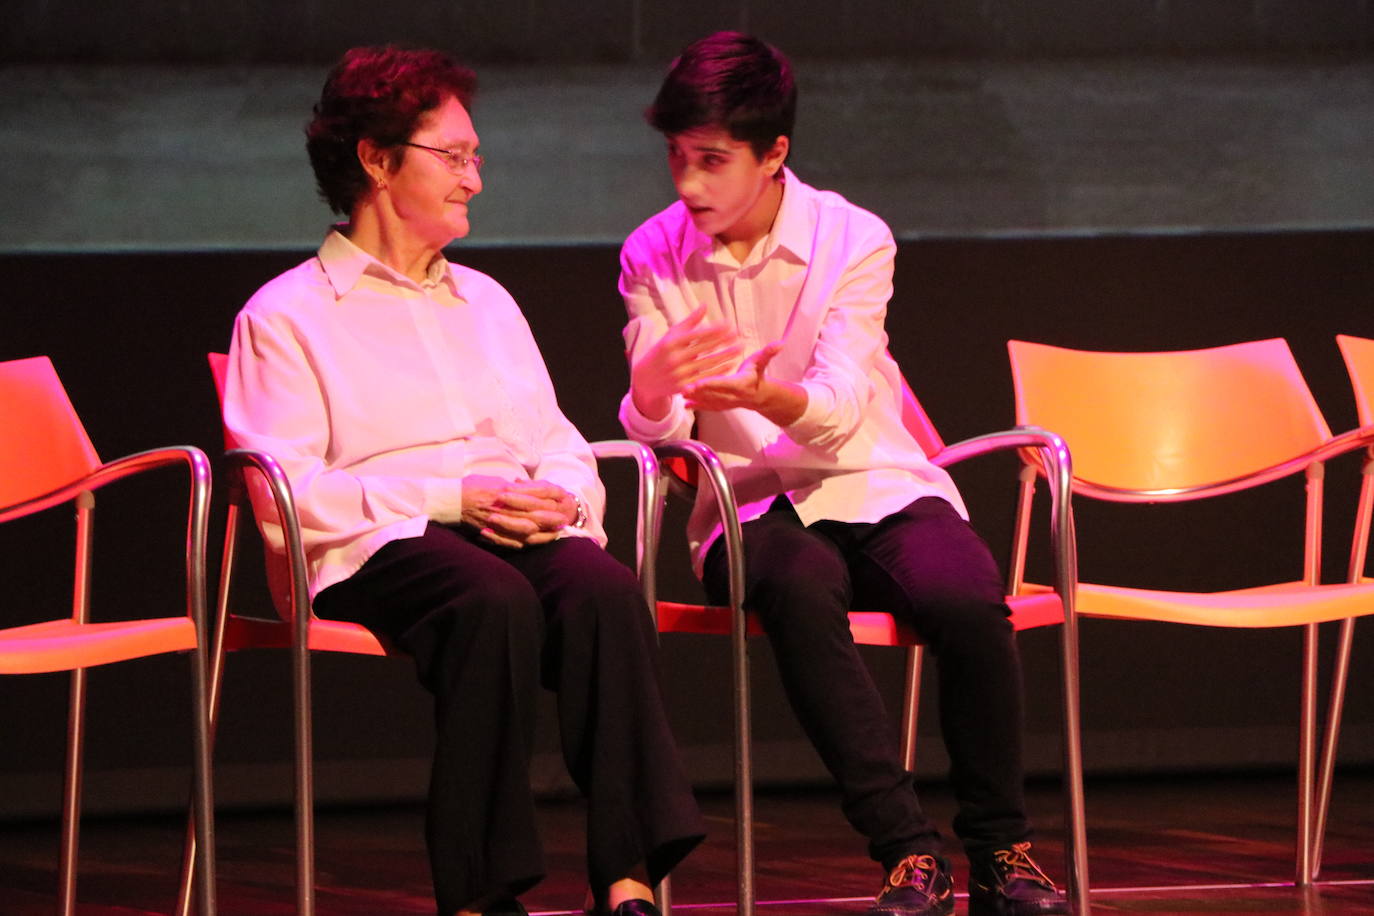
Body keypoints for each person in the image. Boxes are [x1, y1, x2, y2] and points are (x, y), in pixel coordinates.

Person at [223, 45, 704, 916]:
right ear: (376, 159)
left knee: (599, 588)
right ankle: (483, 892)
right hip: (373, 546)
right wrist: (450, 499)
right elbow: (286, 496)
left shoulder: (486, 301)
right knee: (491, 601)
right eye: (454, 157)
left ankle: (629, 878)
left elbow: (554, 438)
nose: (474, 181)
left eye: (475, 158)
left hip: (502, 527)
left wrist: (564, 496)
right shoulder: (286, 315)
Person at [616, 32, 1068, 916]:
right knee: (797, 582)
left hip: (873, 478)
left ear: (774, 152)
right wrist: (651, 391)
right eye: (675, 157)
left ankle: (1003, 850)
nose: (688, 185)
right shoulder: (651, 254)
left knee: (967, 599)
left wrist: (760, 392)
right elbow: (662, 439)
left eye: (712, 160)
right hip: (746, 509)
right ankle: (907, 850)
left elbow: (843, 404)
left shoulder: (853, 238)